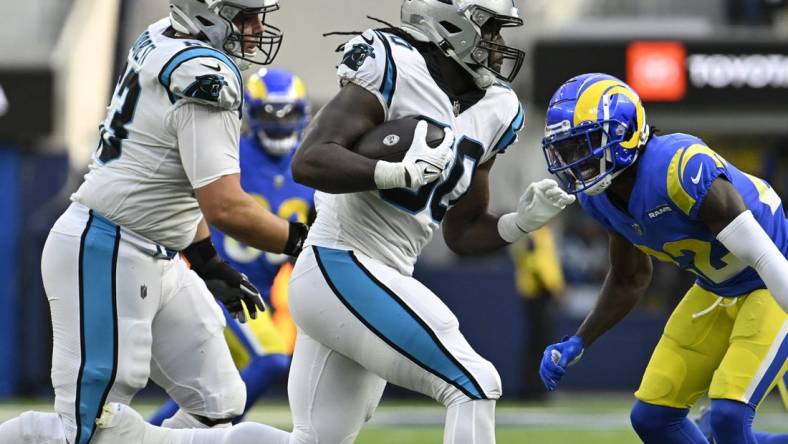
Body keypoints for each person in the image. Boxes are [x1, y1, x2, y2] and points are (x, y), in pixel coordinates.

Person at [92, 0, 575, 443]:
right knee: (474, 383)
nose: (498, 44)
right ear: (453, 23)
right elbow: (311, 160)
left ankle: (146, 440)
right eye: (489, 28)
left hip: (380, 274)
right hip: (341, 261)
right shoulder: (395, 64)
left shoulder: (498, 109)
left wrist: (518, 224)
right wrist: (389, 172)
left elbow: (462, 233)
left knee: (316, 440)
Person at [0, 1, 312, 443]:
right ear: (206, 13)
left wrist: (207, 261)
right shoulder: (205, 76)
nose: (257, 29)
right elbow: (225, 206)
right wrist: (307, 242)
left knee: (217, 405)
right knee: (89, 429)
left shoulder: (165, 36)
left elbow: (170, 179)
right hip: (108, 246)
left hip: (159, 253)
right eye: (245, 17)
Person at [537, 73, 788, 444]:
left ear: (625, 133)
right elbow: (629, 278)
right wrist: (580, 339)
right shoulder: (599, 198)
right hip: (716, 287)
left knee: (729, 416)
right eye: (568, 150)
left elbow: (764, 255)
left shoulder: (679, 168)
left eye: (584, 145)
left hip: (772, 276)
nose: (576, 160)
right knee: (652, 418)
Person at [150, 66, 314, 425]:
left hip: (261, 295)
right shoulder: (231, 152)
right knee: (270, 361)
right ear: (251, 115)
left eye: (288, 114)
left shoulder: (308, 162)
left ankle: (151, 435)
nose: (281, 124)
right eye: (270, 114)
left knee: (218, 395)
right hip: (215, 280)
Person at [510, 226, 565, 401]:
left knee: (538, 343)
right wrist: (554, 287)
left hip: (538, 294)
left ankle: (535, 388)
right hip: (538, 293)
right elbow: (538, 264)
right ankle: (534, 389)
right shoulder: (535, 235)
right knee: (540, 344)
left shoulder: (540, 233)